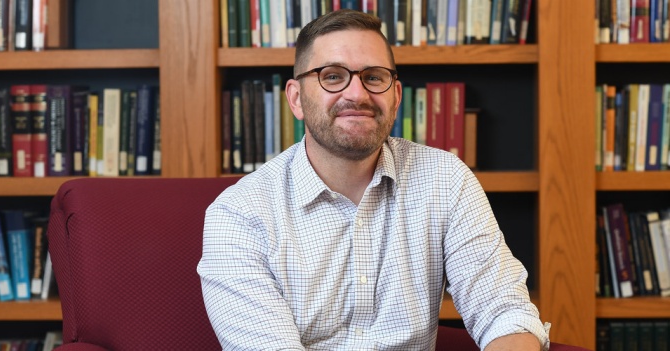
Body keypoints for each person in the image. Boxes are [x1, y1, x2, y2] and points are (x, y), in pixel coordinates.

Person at [198, 9, 550, 350]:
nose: (357, 94)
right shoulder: (238, 215)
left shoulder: (444, 179)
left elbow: (504, 312)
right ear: (296, 98)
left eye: (374, 77)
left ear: (396, 97)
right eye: (332, 76)